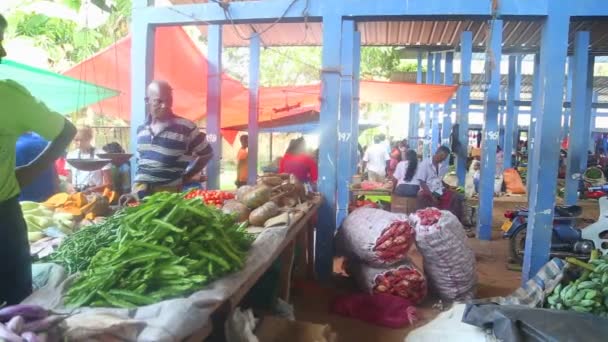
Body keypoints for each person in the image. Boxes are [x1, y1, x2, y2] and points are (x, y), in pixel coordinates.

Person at [0, 13, 77, 304]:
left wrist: (32, 168)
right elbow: (66, 131)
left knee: (15, 307)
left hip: (3, 221)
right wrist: (33, 169)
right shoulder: (7, 96)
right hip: (3, 224)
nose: (3, 52)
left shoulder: (7, 96)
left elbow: (66, 130)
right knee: (16, 304)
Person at [126, 80, 213, 201]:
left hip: (168, 195)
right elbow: (142, 164)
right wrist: (134, 193)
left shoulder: (186, 128)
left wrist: (188, 176)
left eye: (169, 101)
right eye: (159, 101)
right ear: (147, 101)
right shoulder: (141, 130)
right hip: (139, 192)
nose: (165, 105)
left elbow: (207, 153)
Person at [415, 146, 464, 221]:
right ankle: (431, 220)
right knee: (424, 199)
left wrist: (448, 186)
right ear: (438, 154)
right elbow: (422, 182)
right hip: (428, 190)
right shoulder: (425, 164)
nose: (444, 159)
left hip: (439, 190)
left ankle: (453, 221)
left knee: (456, 197)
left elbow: (438, 179)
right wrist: (432, 196)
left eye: (445, 157)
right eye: (443, 157)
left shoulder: (442, 166)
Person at [15, 133, 60, 202]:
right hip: (49, 200)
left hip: (23, 203)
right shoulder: (44, 140)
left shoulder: (13, 145)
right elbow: (54, 174)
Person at [66, 126, 112, 192]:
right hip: (75, 195)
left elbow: (109, 184)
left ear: (89, 139)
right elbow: (69, 179)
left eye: (82, 140)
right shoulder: (70, 155)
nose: (79, 143)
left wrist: (91, 190)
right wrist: (68, 186)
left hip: (95, 195)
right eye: (76, 140)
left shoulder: (101, 155)